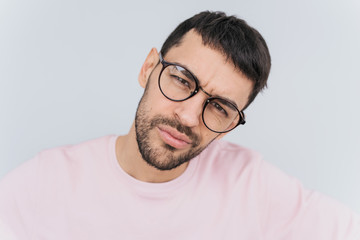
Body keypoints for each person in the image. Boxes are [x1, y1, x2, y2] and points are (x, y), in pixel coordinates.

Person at [0, 11, 359, 240]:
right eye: (182, 80)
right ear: (148, 68)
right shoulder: (44, 184)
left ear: (232, 125)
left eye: (219, 108)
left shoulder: (251, 184)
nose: (187, 118)